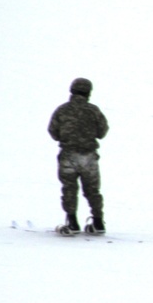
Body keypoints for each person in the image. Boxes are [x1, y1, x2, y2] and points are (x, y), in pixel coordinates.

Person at [48, 77, 109, 234]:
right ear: (88, 92)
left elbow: (53, 131)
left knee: (69, 188)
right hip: (89, 156)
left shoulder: (62, 110)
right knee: (93, 190)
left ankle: (72, 222)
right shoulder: (93, 110)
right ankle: (98, 222)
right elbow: (102, 132)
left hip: (68, 155)